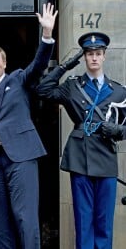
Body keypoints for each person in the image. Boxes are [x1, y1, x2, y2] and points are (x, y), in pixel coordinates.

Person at [0, 2, 58, 249]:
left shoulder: (19, 79)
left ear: (4, 63)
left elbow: (39, 64)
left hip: (22, 157)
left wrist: (47, 34)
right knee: (0, 223)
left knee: (25, 218)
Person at [36, 32, 126, 249]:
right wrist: (66, 65)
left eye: (97, 53)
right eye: (89, 54)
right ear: (84, 58)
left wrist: (117, 130)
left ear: (104, 56)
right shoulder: (73, 86)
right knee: (84, 220)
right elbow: (43, 90)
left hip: (105, 157)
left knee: (104, 221)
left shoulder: (118, 90)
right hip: (81, 157)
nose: (94, 58)